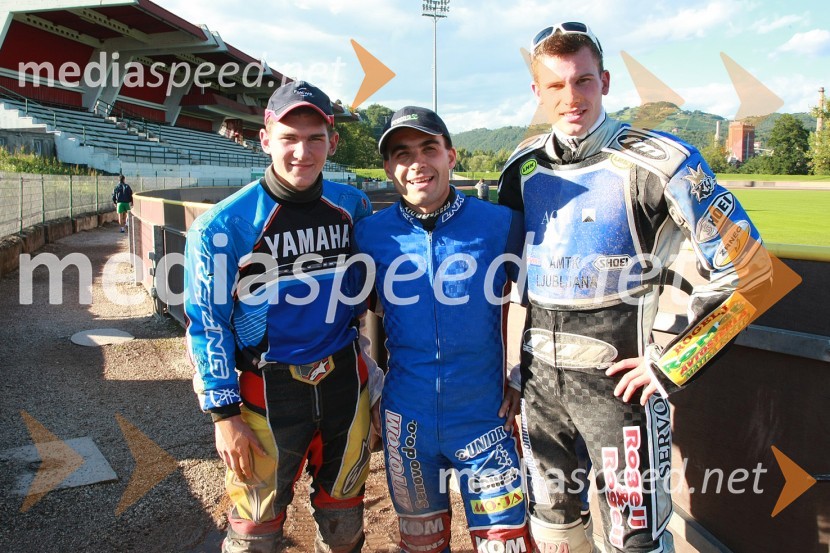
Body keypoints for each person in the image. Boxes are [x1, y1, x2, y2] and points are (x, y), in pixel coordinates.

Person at [497, 22, 772, 553]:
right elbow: (501, 280)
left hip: (624, 391)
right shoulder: (521, 167)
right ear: (537, 92)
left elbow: (755, 275)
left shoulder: (663, 160)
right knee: (552, 528)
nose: (570, 97)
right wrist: (506, 370)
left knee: (635, 540)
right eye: (555, 86)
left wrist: (673, 363)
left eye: (582, 81)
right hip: (537, 388)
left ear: (603, 80)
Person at [184, 80, 382, 553]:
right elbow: (206, 320)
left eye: (315, 138)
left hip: (343, 386)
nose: (302, 151)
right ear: (265, 137)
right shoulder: (223, 225)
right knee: (255, 532)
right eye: (290, 137)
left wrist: (375, 380)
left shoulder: (352, 206)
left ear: (332, 143)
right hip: (264, 393)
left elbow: (369, 298)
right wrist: (223, 415)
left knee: (345, 523)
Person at [354, 106, 531, 553]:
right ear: (389, 168)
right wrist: (374, 389)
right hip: (406, 423)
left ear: (451, 156)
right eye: (402, 154)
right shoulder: (369, 235)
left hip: (485, 421)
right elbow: (341, 322)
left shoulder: (501, 223)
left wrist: (518, 373)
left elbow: (535, 301)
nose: (417, 163)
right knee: (422, 546)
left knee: (505, 545)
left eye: (428, 148)